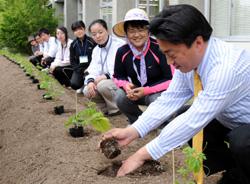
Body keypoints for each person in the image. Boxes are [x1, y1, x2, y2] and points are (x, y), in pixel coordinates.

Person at [102, 4, 250, 184]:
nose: (169, 62)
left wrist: (141, 155)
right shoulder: (189, 62)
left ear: (197, 42)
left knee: (241, 142)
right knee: (185, 118)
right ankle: (234, 168)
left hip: (246, 123)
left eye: (171, 54)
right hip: (229, 117)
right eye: (164, 54)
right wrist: (133, 131)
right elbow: (169, 99)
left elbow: (194, 119)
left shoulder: (226, 67)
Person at [112, 8, 173, 124]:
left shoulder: (159, 48)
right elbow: (117, 76)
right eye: (131, 31)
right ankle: (138, 121)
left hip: (156, 92)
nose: (137, 35)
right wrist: (126, 85)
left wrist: (146, 90)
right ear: (126, 33)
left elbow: (171, 79)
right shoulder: (122, 52)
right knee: (119, 97)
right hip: (135, 92)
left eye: (141, 30)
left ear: (148, 31)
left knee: (157, 99)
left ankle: (163, 124)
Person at [84, 19, 125, 116]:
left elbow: (121, 69)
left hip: (119, 80)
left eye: (100, 32)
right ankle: (104, 109)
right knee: (87, 90)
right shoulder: (96, 50)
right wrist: (90, 82)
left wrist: (105, 76)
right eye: (94, 34)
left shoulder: (119, 45)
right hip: (103, 81)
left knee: (102, 85)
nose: (97, 36)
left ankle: (116, 108)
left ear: (107, 30)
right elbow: (93, 69)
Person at [69, 20, 96, 91]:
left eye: (80, 29)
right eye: (75, 30)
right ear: (73, 32)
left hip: (91, 67)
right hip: (79, 68)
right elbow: (72, 60)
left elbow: (96, 58)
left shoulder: (92, 42)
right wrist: (79, 69)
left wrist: (89, 68)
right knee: (74, 84)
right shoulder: (73, 44)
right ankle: (81, 84)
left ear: (84, 29)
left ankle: (86, 82)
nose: (78, 31)